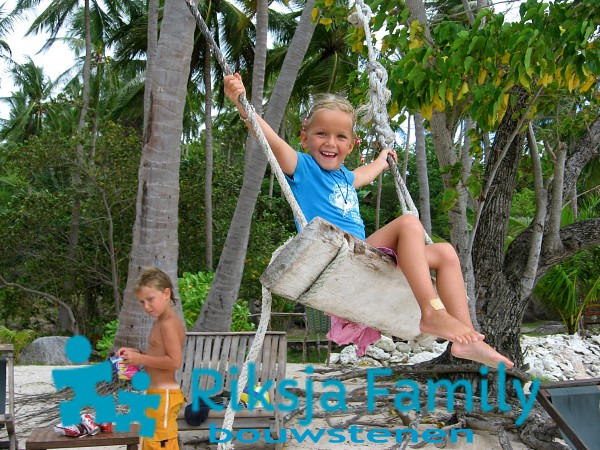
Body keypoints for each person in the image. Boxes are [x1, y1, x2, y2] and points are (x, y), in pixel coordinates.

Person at [224, 74, 514, 369]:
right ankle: (432, 312)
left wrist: (383, 158)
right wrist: (242, 103)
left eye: (340, 137)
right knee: (409, 224)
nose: (330, 143)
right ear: (305, 137)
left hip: (363, 256)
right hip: (337, 257)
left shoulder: (346, 178)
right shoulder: (302, 166)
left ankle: (468, 343)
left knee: (446, 253)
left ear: (351, 145)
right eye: (321, 134)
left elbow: (368, 171)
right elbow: (266, 138)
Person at [117, 267, 186, 449]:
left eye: (150, 299)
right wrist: (136, 354)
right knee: (149, 443)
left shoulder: (169, 324)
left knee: (160, 443)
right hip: (155, 394)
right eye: (142, 302)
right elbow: (158, 355)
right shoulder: (159, 322)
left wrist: (140, 360)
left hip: (165, 396)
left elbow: (174, 361)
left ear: (166, 293)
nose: (146, 306)